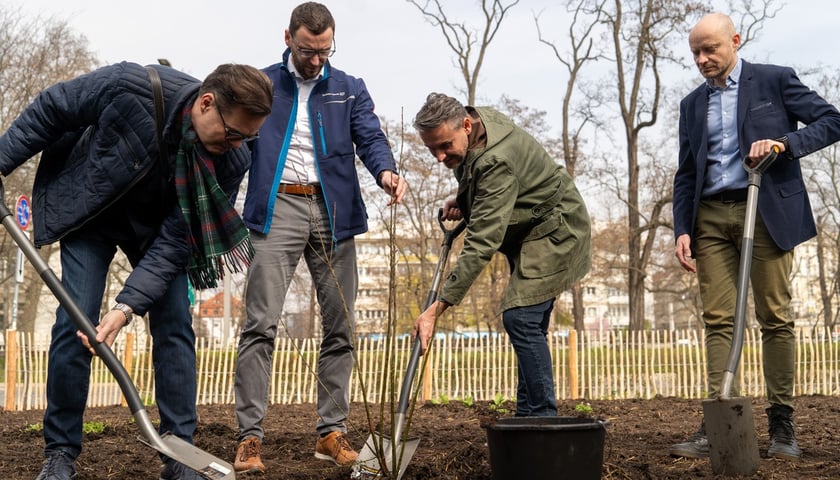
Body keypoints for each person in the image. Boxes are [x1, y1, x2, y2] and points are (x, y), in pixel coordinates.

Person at [0, 62, 274, 480]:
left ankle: (178, 452)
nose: (238, 144)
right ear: (206, 103)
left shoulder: (232, 158)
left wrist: (127, 307)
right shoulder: (132, 88)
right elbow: (53, 109)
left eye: (248, 137)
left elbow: (178, 241)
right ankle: (60, 452)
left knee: (176, 325)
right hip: (93, 209)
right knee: (74, 321)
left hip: (159, 229)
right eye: (234, 132)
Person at [232, 2, 408, 474]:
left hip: (334, 211)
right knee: (259, 325)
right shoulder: (262, 84)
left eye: (325, 51)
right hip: (277, 207)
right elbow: (236, 142)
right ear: (287, 38)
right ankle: (249, 438)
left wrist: (386, 172)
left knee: (342, 326)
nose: (316, 60)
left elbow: (369, 137)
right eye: (308, 50)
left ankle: (331, 432)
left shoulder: (349, 89)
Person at [671, 13, 840, 460]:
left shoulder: (774, 81)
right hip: (710, 216)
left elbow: (832, 121)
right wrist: (682, 228)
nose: (703, 59)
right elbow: (687, 171)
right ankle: (719, 420)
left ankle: (781, 424)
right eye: (695, 53)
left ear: (735, 41)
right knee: (719, 319)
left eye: (711, 49)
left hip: (764, 210)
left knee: (774, 317)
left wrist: (784, 143)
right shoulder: (691, 105)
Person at [411, 92, 591, 418]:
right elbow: (483, 178)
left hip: (555, 232)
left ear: (465, 125)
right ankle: (530, 415)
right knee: (528, 324)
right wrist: (464, 200)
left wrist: (437, 309)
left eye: (444, 146)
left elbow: (482, 242)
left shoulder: (497, 160)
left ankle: (539, 420)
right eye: (431, 149)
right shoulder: (478, 125)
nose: (439, 156)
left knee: (520, 319)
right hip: (531, 230)